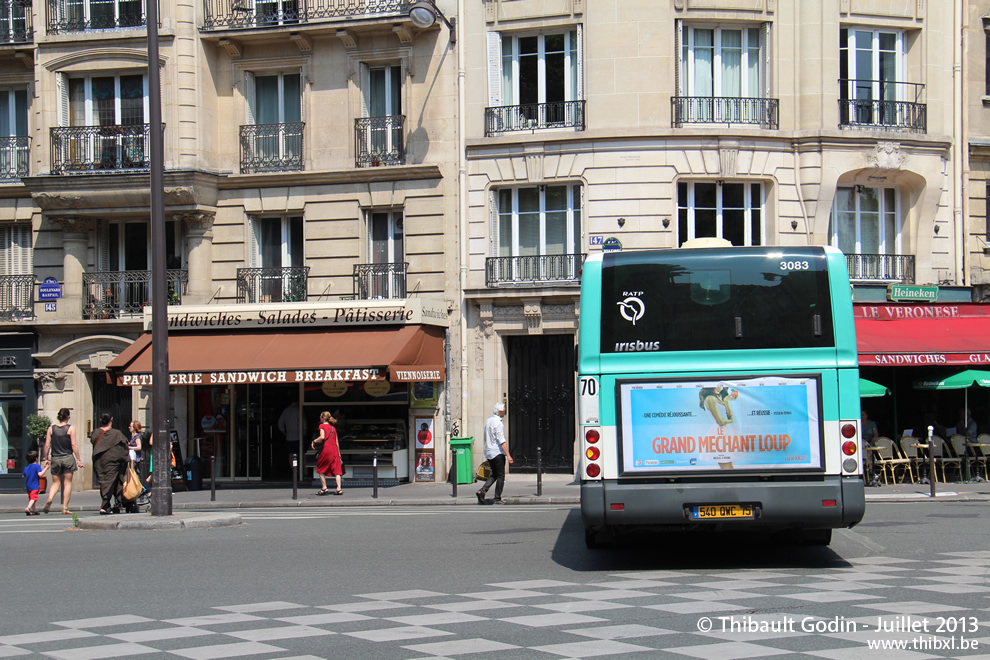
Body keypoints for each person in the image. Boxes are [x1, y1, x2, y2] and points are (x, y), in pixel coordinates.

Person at [41, 408, 83, 515]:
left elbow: (46, 445)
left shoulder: (51, 428)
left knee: (56, 482)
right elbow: (74, 444)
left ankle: (50, 498)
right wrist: (78, 459)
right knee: (67, 483)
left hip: (55, 457)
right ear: (68, 417)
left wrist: (46, 458)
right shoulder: (71, 428)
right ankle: (65, 508)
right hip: (67, 457)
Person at [91, 413, 130, 515]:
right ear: (111, 420)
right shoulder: (116, 434)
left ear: (100, 420)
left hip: (99, 461)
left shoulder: (95, 433)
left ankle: (111, 504)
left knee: (104, 481)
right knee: (109, 482)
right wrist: (126, 459)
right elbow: (123, 448)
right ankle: (105, 505)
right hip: (112, 461)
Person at [477, 402, 513, 505]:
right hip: (497, 452)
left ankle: (482, 491)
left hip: (489, 452)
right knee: (501, 476)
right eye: (504, 410)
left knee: (495, 474)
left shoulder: (488, 421)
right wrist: (508, 455)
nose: (505, 411)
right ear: (500, 411)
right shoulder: (498, 423)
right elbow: (501, 441)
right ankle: (497, 498)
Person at [313, 411, 343, 496]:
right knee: (337, 470)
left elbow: (322, 437)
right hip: (335, 450)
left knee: (321, 468)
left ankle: (324, 488)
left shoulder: (321, 426)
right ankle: (339, 489)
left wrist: (314, 441)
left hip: (326, 449)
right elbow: (336, 441)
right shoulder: (333, 428)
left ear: (322, 418)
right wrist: (339, 453)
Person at [278, 401, 301, 477]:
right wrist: (304, 433)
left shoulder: (286, 410)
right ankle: (302, 472)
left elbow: (280, 423)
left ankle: (294, 471)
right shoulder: (299, 410)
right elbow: (304, 424)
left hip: (289, 437)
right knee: (301, 453)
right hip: (299, 436)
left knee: (291, 454)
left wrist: (285, 432)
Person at [22, 450, 47, 516]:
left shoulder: (26, 467)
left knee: (31, 498)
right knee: (33, 498)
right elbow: (40, 474)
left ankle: (34, 510)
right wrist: (46, 468)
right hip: (34, 485)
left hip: (28, 485)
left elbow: (23, 475)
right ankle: (28, 508)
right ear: (36, 459)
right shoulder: (37, 466)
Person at [861, 410, 880, 487]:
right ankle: (870, 472)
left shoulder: (872, 424)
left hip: (869, 443)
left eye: (863, 415)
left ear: (867, 416)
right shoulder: (857, 423)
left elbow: (876, 435)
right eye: (861, 415)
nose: (862, 416)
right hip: (861, 443)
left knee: (870, 452)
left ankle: (870, 472)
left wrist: (871, 442)